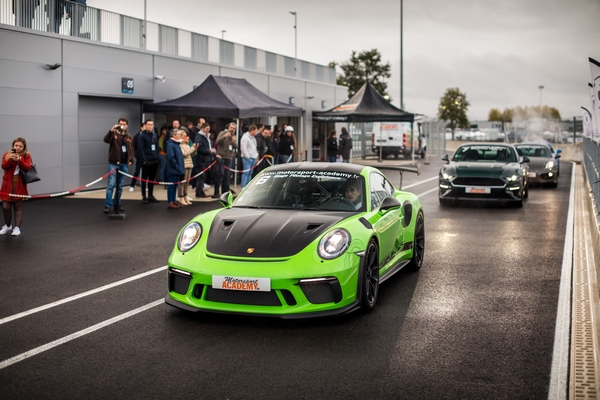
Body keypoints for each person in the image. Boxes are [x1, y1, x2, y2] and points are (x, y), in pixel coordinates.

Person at [1, 137, 32, 236]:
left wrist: (19, 160)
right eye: (16, 145)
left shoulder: (26, 155)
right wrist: (11, 159)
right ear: (13, 145)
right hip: (7, 183)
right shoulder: (7, 154)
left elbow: (27, 168)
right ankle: (7, 225)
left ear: (24, 147)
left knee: (17, 206)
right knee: (6, 206)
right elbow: (3, 166)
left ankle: (17, 228)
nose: (18, 148)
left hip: (19, 183)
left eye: (20, 146)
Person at [103, 118, 134, 213]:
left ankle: (117, 204)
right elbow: (106, 140)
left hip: (124, 163)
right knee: (111, 184)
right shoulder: (114, 134)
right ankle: (107, 205)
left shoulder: (128, 136)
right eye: (120, 124)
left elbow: (131, 149)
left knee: (120, 185)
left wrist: (131, 160)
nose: (122, 125)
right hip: (114, 163)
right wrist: (111, 130)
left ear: (127, 125)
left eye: (124, 124)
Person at [137, 119, 160, 204]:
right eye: (148, 124)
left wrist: (158, 157)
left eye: (151, 124)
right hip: (147, 160)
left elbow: (157, 147)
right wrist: (144, 160)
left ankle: (150, 195)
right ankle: (144, 196)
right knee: (144, 179)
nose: (150, 126)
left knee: (151, 179)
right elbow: (140, 149)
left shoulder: (154, 135)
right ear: (145, 125)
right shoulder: (142, 136)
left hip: (154, 160)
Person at [214, 122, 237, 198]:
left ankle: (225, 191)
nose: (232, 130)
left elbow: (236, 146)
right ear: (228, 127)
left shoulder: (233, 136)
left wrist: (233, 141)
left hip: (229, 157)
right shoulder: (222, 133)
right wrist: (224, 136)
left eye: (234, 128)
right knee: (220, 174)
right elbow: (217, 142)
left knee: (227, 176)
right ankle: (216, 192)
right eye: (231, 128)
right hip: (221, 156)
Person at [194, 122, 215, 198]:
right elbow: (199, 148)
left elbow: (210, 145)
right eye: (207, 128)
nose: (208, 130)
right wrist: (209, 151)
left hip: (207, 160)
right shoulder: (199, 137)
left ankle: (200, 191)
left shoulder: (207, 136)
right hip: (201, 160)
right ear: (202, 128)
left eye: (209, 128)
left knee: (204, 177)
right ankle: (199, 192)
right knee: (201, 177)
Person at [166, 130, 185, 209]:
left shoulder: (177, 144)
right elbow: (171, 158)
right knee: (171, 186)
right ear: (173, 135)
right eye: (178, 134)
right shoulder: (171, 144)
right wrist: (177, 167)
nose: (180, 136)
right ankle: (170, 201)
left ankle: (174, 200)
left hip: (178, 169)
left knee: (175, 185)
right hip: (173, 169)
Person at [178, 130, 197, 205]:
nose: (187, 137)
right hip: (184, 165)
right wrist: (192, 148)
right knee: (182, 182)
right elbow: (185, 154)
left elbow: (190, 155)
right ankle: (181, 196)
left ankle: (186, 195)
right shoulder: (179, 144)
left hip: (189, 164)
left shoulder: (186, 144)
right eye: (185, 135)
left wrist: (194, 149)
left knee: (187, 182)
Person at [128, 123, 144, 192]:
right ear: (141, 127)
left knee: (145, 173)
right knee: (137, 171)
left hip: (147, 157)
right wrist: (136, 155)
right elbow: (133, 146)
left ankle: (143, 186)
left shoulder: (149, 136)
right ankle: (132, 185)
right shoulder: (137, 136)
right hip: (139, 157)